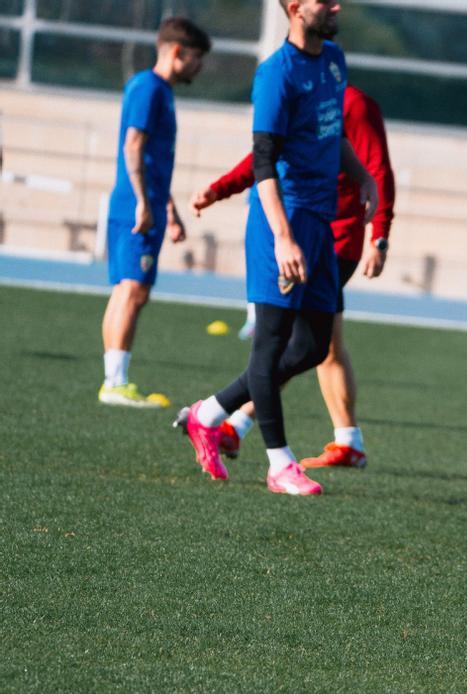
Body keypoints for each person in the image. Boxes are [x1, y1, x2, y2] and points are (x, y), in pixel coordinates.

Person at [175, 0, 377, 496]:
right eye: (324, 0)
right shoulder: (275, 74)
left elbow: (332, 135)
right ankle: (279, 463)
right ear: (294, 8)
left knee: (312, 346)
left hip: (319, 223)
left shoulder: (333, 59)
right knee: (270, 342)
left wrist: (360, 173)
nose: (336, 6)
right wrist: (283, 236)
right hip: (278, 225)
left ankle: (208, 412)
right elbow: (264, 161)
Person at [190, 81, 396, 469]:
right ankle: (346, 440)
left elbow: (377, 169)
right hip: (307, 238)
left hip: (338, 243)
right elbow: (264, 158)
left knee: (299, 343)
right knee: (319, 344)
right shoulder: (301, 97)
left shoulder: (353, 103)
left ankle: (227, 419)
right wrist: (219, 190)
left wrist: (379, 234)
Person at [98, 18, 210, 407]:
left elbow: (152, 159)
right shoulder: (149, 88)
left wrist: (169, 209)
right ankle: (115, 382)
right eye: (196, 58)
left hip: (141, 203)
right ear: (177, 52)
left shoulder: (157, 89)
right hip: (135, 207)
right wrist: (145, 202)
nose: (199, 67)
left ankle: (113, 379)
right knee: (132, 291)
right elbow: (134, 145)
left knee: (128, 291)